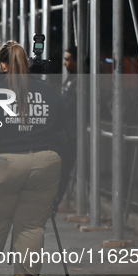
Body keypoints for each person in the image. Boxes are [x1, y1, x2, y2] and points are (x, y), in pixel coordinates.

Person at [0, 41, 65, 276]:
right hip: (45, 162)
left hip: (3, 164)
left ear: (2, 64)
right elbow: (63, 132)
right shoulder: (50, 93)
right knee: (32, 226)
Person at [56, 46, 78, 205]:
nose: (64, 63)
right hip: (65, 133)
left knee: (64, 169)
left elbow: (69, 106)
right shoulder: (70, 79)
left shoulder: (78, 80)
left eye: (68, 59)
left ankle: (56, 201)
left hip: (72, 134)